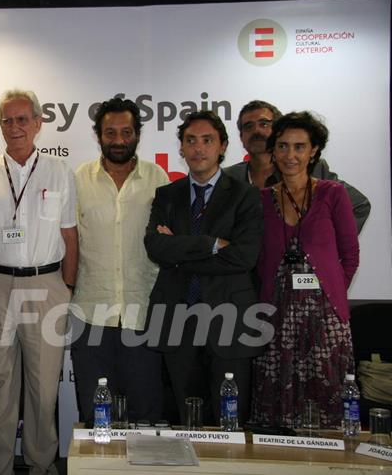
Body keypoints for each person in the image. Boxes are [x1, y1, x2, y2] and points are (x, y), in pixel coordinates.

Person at [0, 89, 77, 475]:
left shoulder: (60, 171)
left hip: (46, 285)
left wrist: (67, 288)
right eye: (7, 120)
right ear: (1, 125)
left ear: (38, 124)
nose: (15, 127)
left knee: (45, 387)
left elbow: (70, 236)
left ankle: (41, 462)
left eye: (22, 119)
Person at [144, 111, 263, 426]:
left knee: (230, 417)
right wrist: (211, 244)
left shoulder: (246, 196)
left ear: (222, 147)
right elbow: (156, 248)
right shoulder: (167, 195)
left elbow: (243, 257)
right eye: (190, 141)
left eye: (207, 140)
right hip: (176, 319)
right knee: (184, 417)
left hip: (230, 320)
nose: (198, 148)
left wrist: (180, 249)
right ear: (181, 149)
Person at [252, 111, 359, 428]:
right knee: (278, 395)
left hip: (324, 316)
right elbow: (257, 258)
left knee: (325, 392)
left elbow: (350, 255)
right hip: (277, 312)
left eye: (299, 147)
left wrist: (332, 291)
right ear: (274, 151)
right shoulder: (261, 200)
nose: (290, 155)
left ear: (313, 151)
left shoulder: (332, 193)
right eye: (283, 146)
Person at [70, 97, 169, 425]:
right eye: (110, 133)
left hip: (143, 312)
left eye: (126, 132)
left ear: (138, 135)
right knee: (95, 412)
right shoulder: (78, 181)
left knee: (146, 413)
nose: (118, 140)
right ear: (98, 135)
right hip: (91, 313)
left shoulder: (159, 180)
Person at [225, 100, 370, 232]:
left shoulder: (313, 169)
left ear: (278, 132)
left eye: (264, 124)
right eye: (248, 126)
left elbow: (359, 205)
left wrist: (327, 244)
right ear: (241, 137)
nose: (257, 131)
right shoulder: (227, 178)